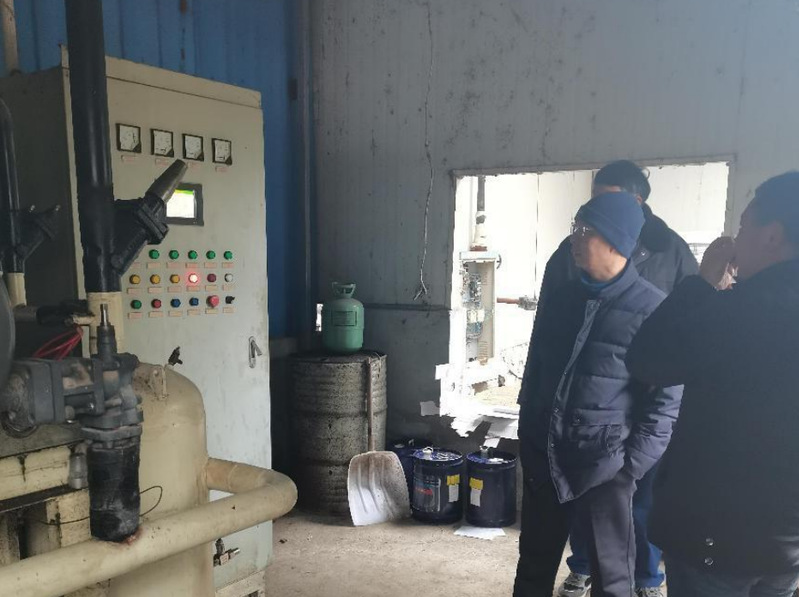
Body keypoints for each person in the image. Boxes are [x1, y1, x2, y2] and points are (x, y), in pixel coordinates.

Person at [627, 172, 799, 597]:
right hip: (787, 542)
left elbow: (648, 359)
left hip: (716, 538)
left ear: (772, 236)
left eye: (743, 227)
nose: (736, 241)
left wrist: (700, 284)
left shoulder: (739, 312)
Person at [537, 160, 698, 597]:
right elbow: (543, 360)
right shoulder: (569, 278)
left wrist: (632, 462)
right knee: (562, 540)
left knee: (626, 536)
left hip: (619, 446)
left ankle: (646, 580)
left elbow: (671, 385)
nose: (577, 235)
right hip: (564, 438)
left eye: (586, 228)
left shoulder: (669, 258)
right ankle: (582, 567)